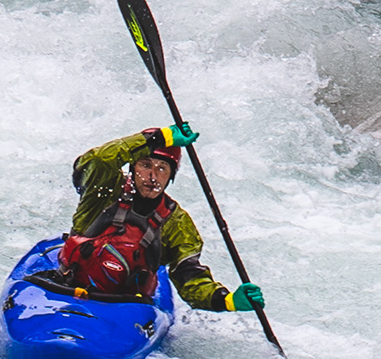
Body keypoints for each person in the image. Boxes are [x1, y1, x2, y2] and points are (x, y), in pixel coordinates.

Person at [50, 123, 266, 316]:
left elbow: (189, 276)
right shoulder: (104, 190)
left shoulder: (176, 222)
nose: (152, 176)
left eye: (162, 168)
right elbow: (98, 160)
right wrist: (158, 138)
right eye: (145, 165)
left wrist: (226, 300)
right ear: (132, 167)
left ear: (171, 176)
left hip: (124, 306)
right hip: (65, 288)